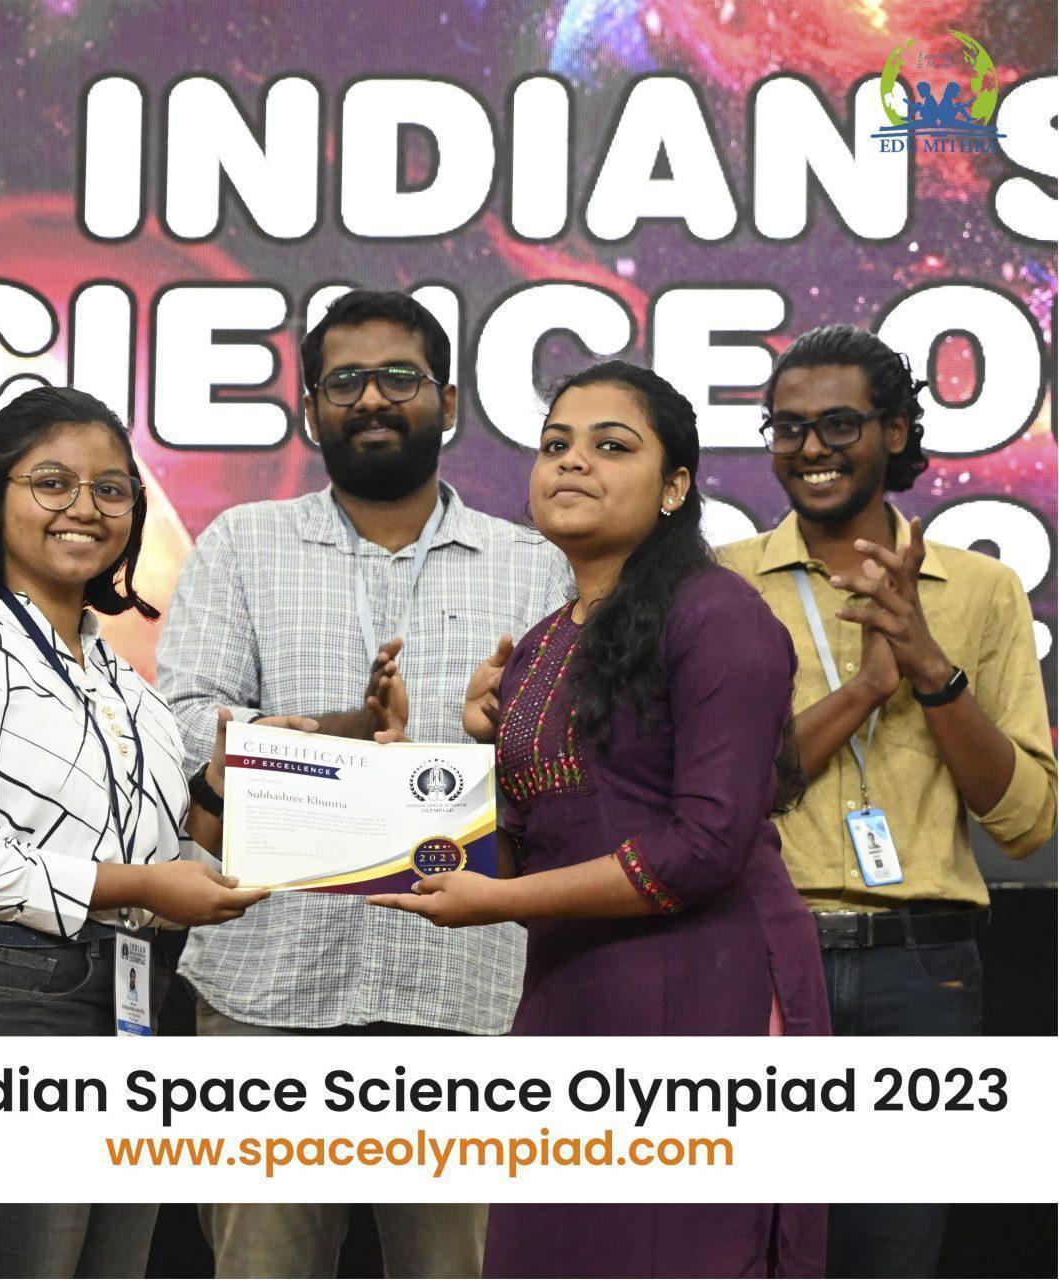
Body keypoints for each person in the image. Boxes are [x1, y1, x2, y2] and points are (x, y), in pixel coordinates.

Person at [369, 360, 830, 1278]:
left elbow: (703, 847)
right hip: (572, 992)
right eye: (556, 445)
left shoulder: (720, 615)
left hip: (706, 993)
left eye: (612, 446)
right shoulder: (545, 641)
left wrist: (500, 903)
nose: (573, 462)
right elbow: (533, 839)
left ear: (675, 487)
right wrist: (405, 781)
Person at [156, 290, 571, 1279]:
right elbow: (184, 726)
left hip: (465, 990)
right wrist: (342, 738)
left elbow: (569, 767)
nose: (373, 398)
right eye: (345, 381)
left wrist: (494, 736)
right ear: (310, 409)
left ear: (449, 401)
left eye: (399, 377)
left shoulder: (534, 566)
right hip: (269, 985)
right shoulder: (242, 545)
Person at [0, 386, 288, 1280]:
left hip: (130, 1000)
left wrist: (259, 786)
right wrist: (142, 887)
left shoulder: (124, 687)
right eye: (52, 482)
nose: (85, 507)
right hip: (2, 997)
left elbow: (165, 847)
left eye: (111, 489)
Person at [720, 325, 1056, 1279]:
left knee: (892, 1260)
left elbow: (1025, 823)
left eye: (839, 424)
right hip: (760, 960)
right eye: (789, 428)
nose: (812, 448)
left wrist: (932, 673)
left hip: (924, 973)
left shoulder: (982, 590)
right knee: (748, 1254)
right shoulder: (721, 586)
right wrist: (868, 689)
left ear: (897, 432)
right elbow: (725, 798)